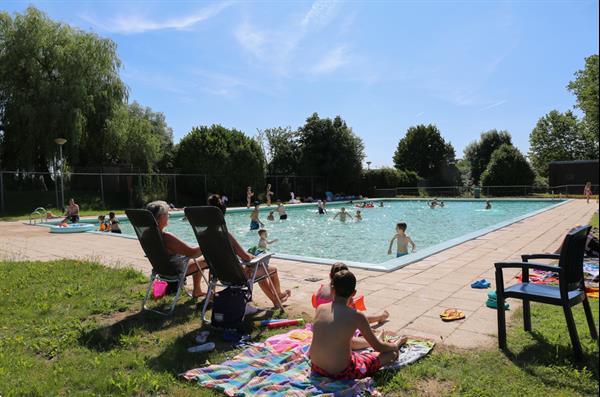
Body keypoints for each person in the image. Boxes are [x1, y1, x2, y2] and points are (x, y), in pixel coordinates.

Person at [309, 269, 405, 380]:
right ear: (354, 293)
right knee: (390, 354)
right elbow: (377, 347)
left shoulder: (320, 308)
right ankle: (396, 344)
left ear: (332, 289)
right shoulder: (356, 316)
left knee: (352, 351)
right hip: (341, 372)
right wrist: (393, 347)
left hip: (316, 367)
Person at [207, 194, 291, 307]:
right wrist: (253, 257)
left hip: (221, 275)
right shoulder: (225, 235)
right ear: (222, 214)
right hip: (239, 276)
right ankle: (279, 295)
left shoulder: (205, 235)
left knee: (259, 269)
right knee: (271, 270)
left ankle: (276, 300)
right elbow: (246, 257)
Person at [146, 200, 207, 297]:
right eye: (167, 213)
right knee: (206, 259)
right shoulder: (166, 237)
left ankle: (197, 290)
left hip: (161, 270)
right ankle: (199, 291)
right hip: (175, 271)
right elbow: (193, 253)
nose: (168, 215)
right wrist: (207, 244)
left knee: (195, 259)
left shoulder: (147, 235)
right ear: (160, 217)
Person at [312, 263, 389, 325]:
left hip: (320, 323)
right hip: (338, 325)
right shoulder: (338, 296)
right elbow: (349, 316)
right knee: (360, 318)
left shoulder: (321, 289)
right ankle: (381, 317)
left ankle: (381, 317)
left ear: (330, 275)